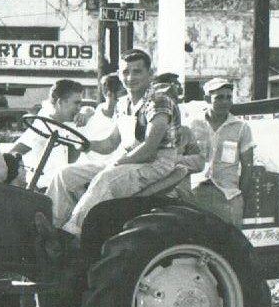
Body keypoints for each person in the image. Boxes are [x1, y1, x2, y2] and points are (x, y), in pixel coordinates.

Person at [64, 83, 189, 237]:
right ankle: (52, 227)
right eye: (125, 72)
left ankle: (73, 235)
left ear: (149, 74)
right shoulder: (123, 103)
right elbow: (111, 143)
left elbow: (149, 148)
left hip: (155, 164)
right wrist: (89, 145)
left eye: (137, 72)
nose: (130, 77)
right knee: (66, 174)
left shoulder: (159, 101)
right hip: (127, 161)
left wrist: (118, 163)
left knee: (106, 179)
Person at [188, 76, 255, 223]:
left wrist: (240, 197)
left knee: (229, 236)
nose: (225, 102)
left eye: (228, 97)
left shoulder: (241, 128)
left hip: (228, 196)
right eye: (219, 98)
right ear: (207, 98)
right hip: (196, 193)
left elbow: (248, 166)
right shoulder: (193, 124)